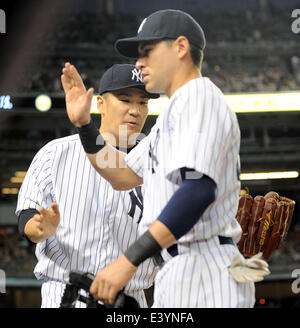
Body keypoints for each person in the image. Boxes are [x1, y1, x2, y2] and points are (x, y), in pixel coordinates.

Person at [62, 9, 269, 308]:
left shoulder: (200, 97)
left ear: (181, 48)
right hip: (179, 269)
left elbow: (198, 190)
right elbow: (121, 174)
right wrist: (84, 125)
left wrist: (127, 261)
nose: (139, 62)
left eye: (147, 51)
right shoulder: (170, 118)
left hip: (205, 268)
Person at [15, 63, 159, 308]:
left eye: (143, 102)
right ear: (100, 103)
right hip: (64, 297)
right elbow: (27, 218)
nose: (135, 110)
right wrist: (41, 228)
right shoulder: (56, 153)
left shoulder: (158, 165)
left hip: (129, 301)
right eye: (125, 99)